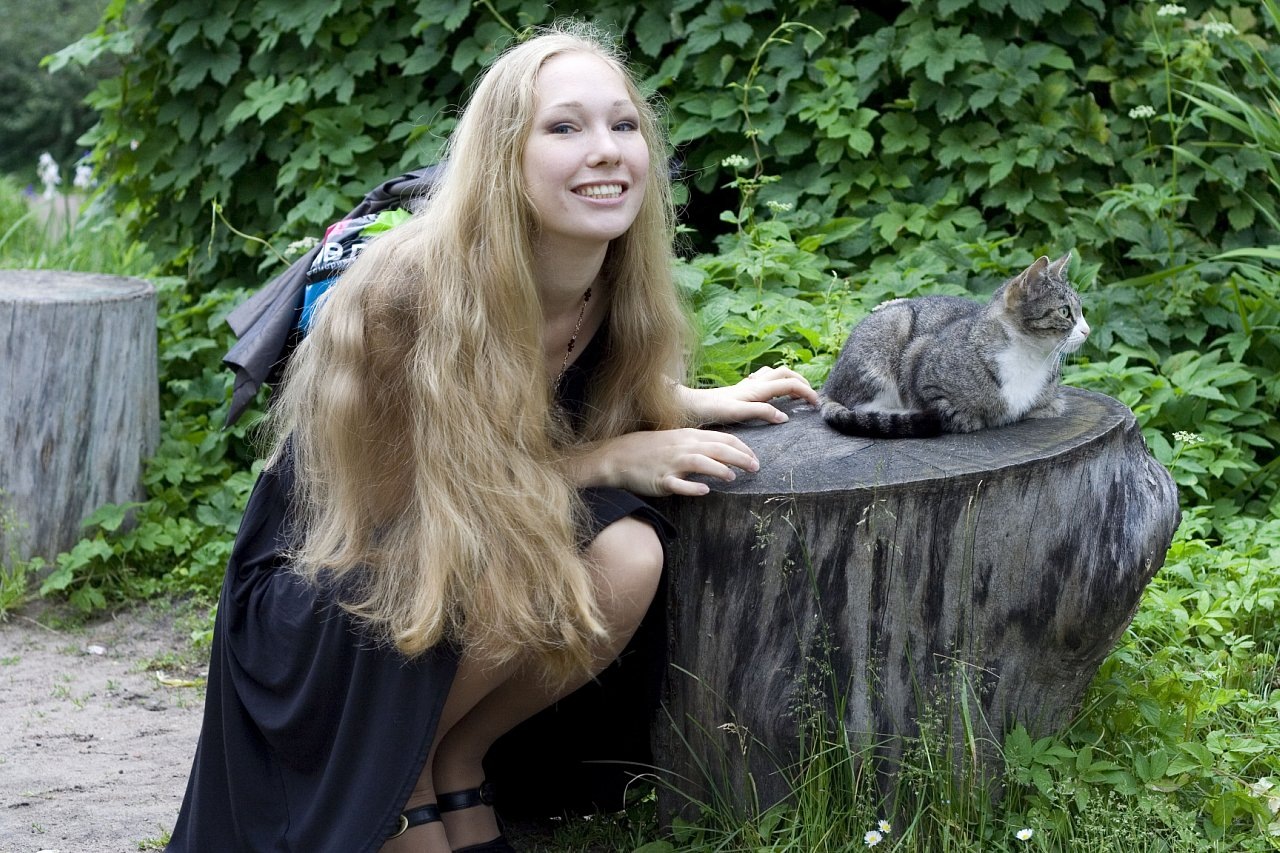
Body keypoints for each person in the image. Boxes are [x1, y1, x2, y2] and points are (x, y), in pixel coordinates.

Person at [167, 21, 818, 853]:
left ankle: (453, 757)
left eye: (623, 124)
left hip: (449, 559)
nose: (606, 149)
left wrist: (688, 400)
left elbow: (569, 393)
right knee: (502, 558)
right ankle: (392, 785)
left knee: (626, 553)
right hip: (332, 591)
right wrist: (608, 459)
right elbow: (409, 515)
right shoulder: (406, 295)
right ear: (503, 157)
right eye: (565, 127)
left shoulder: (613, 279)